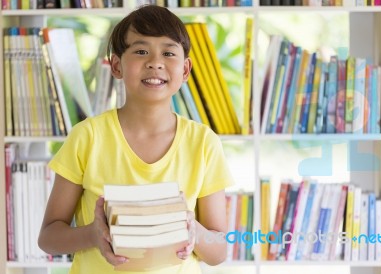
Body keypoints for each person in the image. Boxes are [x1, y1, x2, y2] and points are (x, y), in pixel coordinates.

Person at [38, 4, 234, 274]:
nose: (155, 61)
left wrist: (193, 230)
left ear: (185, 70)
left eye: (168, 52)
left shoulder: (203, 143)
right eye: (141, 51)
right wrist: (94, 235)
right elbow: (48, 237)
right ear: (117, 65)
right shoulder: (87, 136)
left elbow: (219, 251)